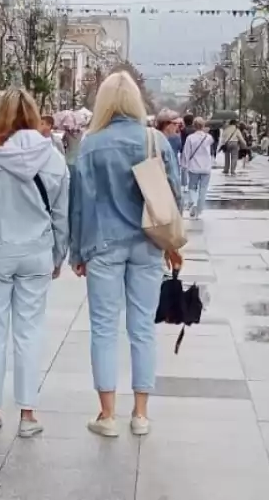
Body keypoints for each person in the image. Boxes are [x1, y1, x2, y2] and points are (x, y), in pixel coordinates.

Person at [68, 71, 181, 438]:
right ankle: (141, 414)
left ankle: (107, 415)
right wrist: (172, 247)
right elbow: (173, 196)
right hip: (148, 244)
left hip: (102, 244)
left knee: (103, 329)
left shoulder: (91, 144)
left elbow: (79, 203)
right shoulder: (154, 140)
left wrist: (77, 251)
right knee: (142, 329)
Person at [0, 89, 69, 438]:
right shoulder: (54, 159)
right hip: (36, 252)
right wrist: (57, 254)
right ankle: (28, 414)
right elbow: (62, 215)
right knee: (29, 332)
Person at [181, 117, 214, 219]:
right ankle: (199, 208)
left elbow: (186, 152)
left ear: (194, 126)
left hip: (194, 166)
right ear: (203, 126)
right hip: (206, 166)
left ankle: (193, 203)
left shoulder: (190, 138)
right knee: (203, 188)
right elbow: (211, 150)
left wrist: (184, 165)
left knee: (192, 187)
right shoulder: (209, 138)